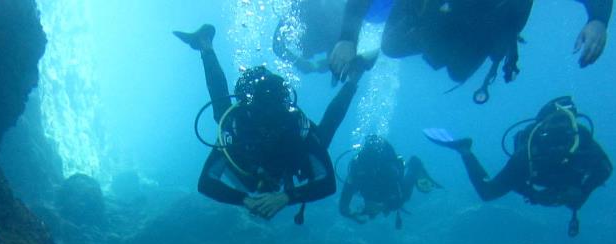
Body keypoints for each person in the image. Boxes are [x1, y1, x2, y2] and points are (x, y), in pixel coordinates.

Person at [175, 23, 374, 222]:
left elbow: (328, 183)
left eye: (272, 123)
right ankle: (205, 46)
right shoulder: (238, 126)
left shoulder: (295, 126)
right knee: (223, 114)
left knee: (322, 137)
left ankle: (205, 46)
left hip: (277, 157)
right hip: (256, 157)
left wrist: (285, 197)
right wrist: (246, 199)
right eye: (262, 123)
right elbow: (206, 182)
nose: (267, 131)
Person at [330, 0, 613, 103]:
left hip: (479, 34)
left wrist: (598, 20)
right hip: (430, 21)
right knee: (391, 47)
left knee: (457, 73)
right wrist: (346, 40)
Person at [425, 96, 612, 236]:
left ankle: (465, 151)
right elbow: (509, 181)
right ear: (542, 126)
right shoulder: (530, 150)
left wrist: (582, 191)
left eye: (565, 122)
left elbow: (605, 168)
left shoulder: (581, 140)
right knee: (488, 192)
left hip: (559, 177)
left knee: (573, 201)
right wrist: (533, 194)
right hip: (537, 173)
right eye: (555, 122)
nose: (559, 130)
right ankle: (465, 150)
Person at [338, 135, 439, 228]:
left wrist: (384, 206)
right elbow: (344, 203)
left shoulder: (384, 173)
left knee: (403, 197)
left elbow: (398, 194)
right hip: (380, 182)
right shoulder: (357, 173)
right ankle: (413, 167)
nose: (371, 214)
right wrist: (350, 214)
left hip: (388, 177)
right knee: (398, 199)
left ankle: (415, 166)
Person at [273, 0, 392, 75]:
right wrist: (298, 62)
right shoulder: (296, 8)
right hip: (324, 41)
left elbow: (349, 39)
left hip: (333, 39)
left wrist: (327, 64)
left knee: (339, 67)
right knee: (338, 65)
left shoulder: (338, 8)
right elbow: (277, 45)